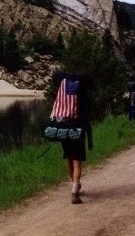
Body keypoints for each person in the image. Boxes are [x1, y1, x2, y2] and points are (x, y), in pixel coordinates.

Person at [50, 72, 93, 204]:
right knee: (77, 162)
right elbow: (86, 119)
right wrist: (90, 137)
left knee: (68, 157)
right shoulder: (81, 98)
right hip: (76, 131)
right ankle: (75, 192)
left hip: (63, 130)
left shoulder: (62, 96)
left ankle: (74, 185)